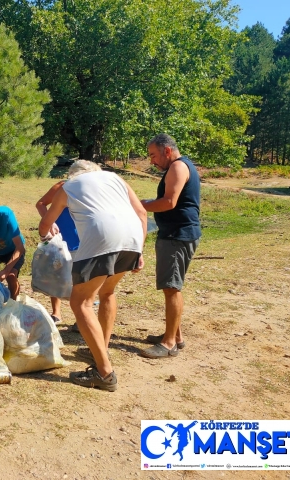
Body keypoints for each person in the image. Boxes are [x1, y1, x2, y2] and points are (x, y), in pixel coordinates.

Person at [39, 160, 147, 391]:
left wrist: (46, 237)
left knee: (81, 303)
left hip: (102, 239)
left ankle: (104, 373)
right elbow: (141, 213)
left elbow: (46, 223)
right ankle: (101, 348)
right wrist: (139, 251)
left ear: (72, 175)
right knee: (107, 292)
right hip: (132, 238)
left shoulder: (69, 186)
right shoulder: (116, 179)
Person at [140, 133, 201, 359]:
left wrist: (139, 206)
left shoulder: (177, 167)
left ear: (167, 151)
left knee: (171, 288)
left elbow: (169, 202)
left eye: (153, 155)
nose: (152, 161)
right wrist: (144, 203)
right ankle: (176, 336)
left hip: (177, 235)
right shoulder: (180, 167)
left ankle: (168, 344)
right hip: (177, 233)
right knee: (173, 286)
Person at [35, 180, 80, 324]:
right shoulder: (62, 186)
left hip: (83, 237)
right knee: (56, 273)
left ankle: (81, 318)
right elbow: (41, 203)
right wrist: (50, 222)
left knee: (81, 278)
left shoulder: (94, 188)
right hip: (60, 236)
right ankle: (56, 313)